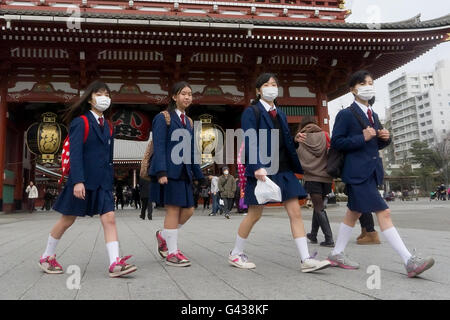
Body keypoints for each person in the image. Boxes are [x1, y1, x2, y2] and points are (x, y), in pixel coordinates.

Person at [327, 70, 434, 278]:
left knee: (353, 212)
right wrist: (362, 137)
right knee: (384, 212)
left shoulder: (373, 114)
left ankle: (336, 253)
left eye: (371, 82)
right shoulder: (346, 114)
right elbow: (337, 142)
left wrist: (385, 138)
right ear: (353, 89)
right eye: (363, 83)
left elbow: (375, 144)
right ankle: (408, 261)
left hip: (371, 171)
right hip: (357, 173)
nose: (368, 86)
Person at [228, 73, 331, 272]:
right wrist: (257, 166)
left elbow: (282, 141)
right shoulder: (252, 111)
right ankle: (235, 253)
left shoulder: (281, 113)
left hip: (283, 169)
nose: (271, 87)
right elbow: (250, 138)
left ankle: (306, 259)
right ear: (259, 90)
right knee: (254, 215)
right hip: (262, 170)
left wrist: (295, 140)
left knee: (296, 212)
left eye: (274, 84)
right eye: (266, 84)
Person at [39, 80, 137, 278]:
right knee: (67, 219)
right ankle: (47, 256)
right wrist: (77, 181)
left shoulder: (109, 126)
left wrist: (110, 183)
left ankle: (115, 263)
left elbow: (109, 158)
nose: (104, 98)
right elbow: (76, 154)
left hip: (102, 182)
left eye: (108, 95)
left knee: (110, 218)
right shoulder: (80, 122)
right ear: (90, 98)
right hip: (82, 181)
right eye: (100, 94)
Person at [149, 81, 204, 267]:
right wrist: (161, 171)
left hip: (185, 172)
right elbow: (159, 146)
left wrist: (200, 175)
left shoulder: (188, 122)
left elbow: (192, 151)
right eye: (183, 94)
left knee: (188, 210)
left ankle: (163, 235)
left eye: (190, 94)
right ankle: (172, 252)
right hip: (169, 172)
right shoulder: (163, 117)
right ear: (174, 97)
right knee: (173, 209)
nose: (187, 97)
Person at [296, 116, 334, 247]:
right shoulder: (325, 135)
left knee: (318, 207)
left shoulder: (300, 137)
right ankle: (313, 234)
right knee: (319, 206)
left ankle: (329, 239)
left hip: (312, 177)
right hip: (326, 177)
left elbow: (296, 156)